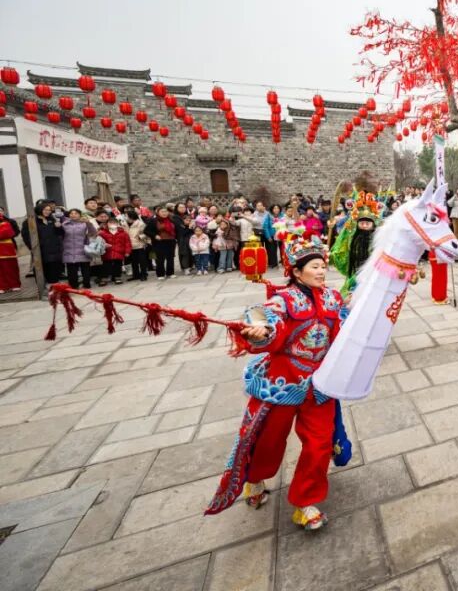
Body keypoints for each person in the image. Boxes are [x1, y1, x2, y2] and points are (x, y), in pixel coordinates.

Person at [205, 235, 349, 530]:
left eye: (323, 266)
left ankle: (305, 502)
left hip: (319, 386)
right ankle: (255, 479)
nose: (321, 272)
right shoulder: (283, 300)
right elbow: (264, 314)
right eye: (314, 267)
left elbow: (349, 326)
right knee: (268, 441)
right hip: (283, 383)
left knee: (320, 444)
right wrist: (260, 328)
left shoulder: (333, 298)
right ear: (296, 272)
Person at [22, 202, 65, 285]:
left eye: (49, 210)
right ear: (39, 210)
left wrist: (59, 227)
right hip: (40, 250)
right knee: (41, 270)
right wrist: (33, 247)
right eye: (45, 210)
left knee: (54, 271)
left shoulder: (52, 219)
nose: (48, 212)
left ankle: (53, 287)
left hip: (54, 250)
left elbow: (60, 234)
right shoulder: (30, 221)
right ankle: (42, 289)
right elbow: (26, 236)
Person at [61, 209, 94, 289]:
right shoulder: (64, 225)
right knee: (71, 271)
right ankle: (73, 286)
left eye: (76, 213)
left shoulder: (84, 223)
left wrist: (88, 223)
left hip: (83, 249)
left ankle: (87, 284)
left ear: (80, 215)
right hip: (69, 250)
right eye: (71, 213)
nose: (73, 215)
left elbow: (93, 232)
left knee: (85, 269)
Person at [97, 215, 132, 285]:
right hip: (107, 252)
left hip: (119, 252)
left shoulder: (123, 233)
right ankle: (104, 278)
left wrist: (127, 251)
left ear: (117, 224)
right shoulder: (102, 233)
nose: (112, 224)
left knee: (118, 265)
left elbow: (127, 243)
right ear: (107, 224)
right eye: (110, 223)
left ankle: (117, 277)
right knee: (106, 266)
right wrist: (103, 246)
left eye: (114, 223)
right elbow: (98, 242)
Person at [145, 206, 177, 279]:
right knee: (160, 258)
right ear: (158, 213)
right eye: (162, 212)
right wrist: (155, 235)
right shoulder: (154, 220)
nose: (164, 213)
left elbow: (176, 229)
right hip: (159, 242)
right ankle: (160, 274)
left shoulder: (171, 220)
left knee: (170, 258)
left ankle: (170, 273)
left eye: (165, 211)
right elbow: (146, 231)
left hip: (171, 241)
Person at [126, 208, 149, 281]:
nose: (125, 217)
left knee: (142, 260)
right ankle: (136, 275)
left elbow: (146, 233)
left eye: (127, 216)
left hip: (139, 244)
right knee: (133, 261)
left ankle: (144, 274)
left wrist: (140, 237)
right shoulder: (124, 223)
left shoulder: (140, 223)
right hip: (129, 245)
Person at [0, 207, 20, 293]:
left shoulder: (10, 221)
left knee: (10, 267)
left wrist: (7, 235)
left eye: (0, 210)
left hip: (8, 247)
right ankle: (2, 286)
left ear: (3, 211)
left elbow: (13, 232)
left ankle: (14, 284)